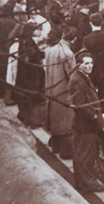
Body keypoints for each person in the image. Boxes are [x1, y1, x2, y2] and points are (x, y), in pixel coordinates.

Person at [68, 52, 104, 192]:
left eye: (91, 63)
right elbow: (79, 105)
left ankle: (83, 181)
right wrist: (94, 117)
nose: (90, 66)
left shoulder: (82, 76)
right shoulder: (78, 80)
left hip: (85, 124)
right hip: (85, 125)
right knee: (84, 156)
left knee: (84, 154)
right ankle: (87, 184)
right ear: (79, 64)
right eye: (86, 63)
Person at [44, 27, 76, 159]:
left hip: (51, 89)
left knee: (54, 119)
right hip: (64, 92)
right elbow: (72, 76)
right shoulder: (68, 54)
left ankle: (55, 146)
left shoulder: (51, 50)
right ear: (73, 39)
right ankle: (66, 151)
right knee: (66, 122)